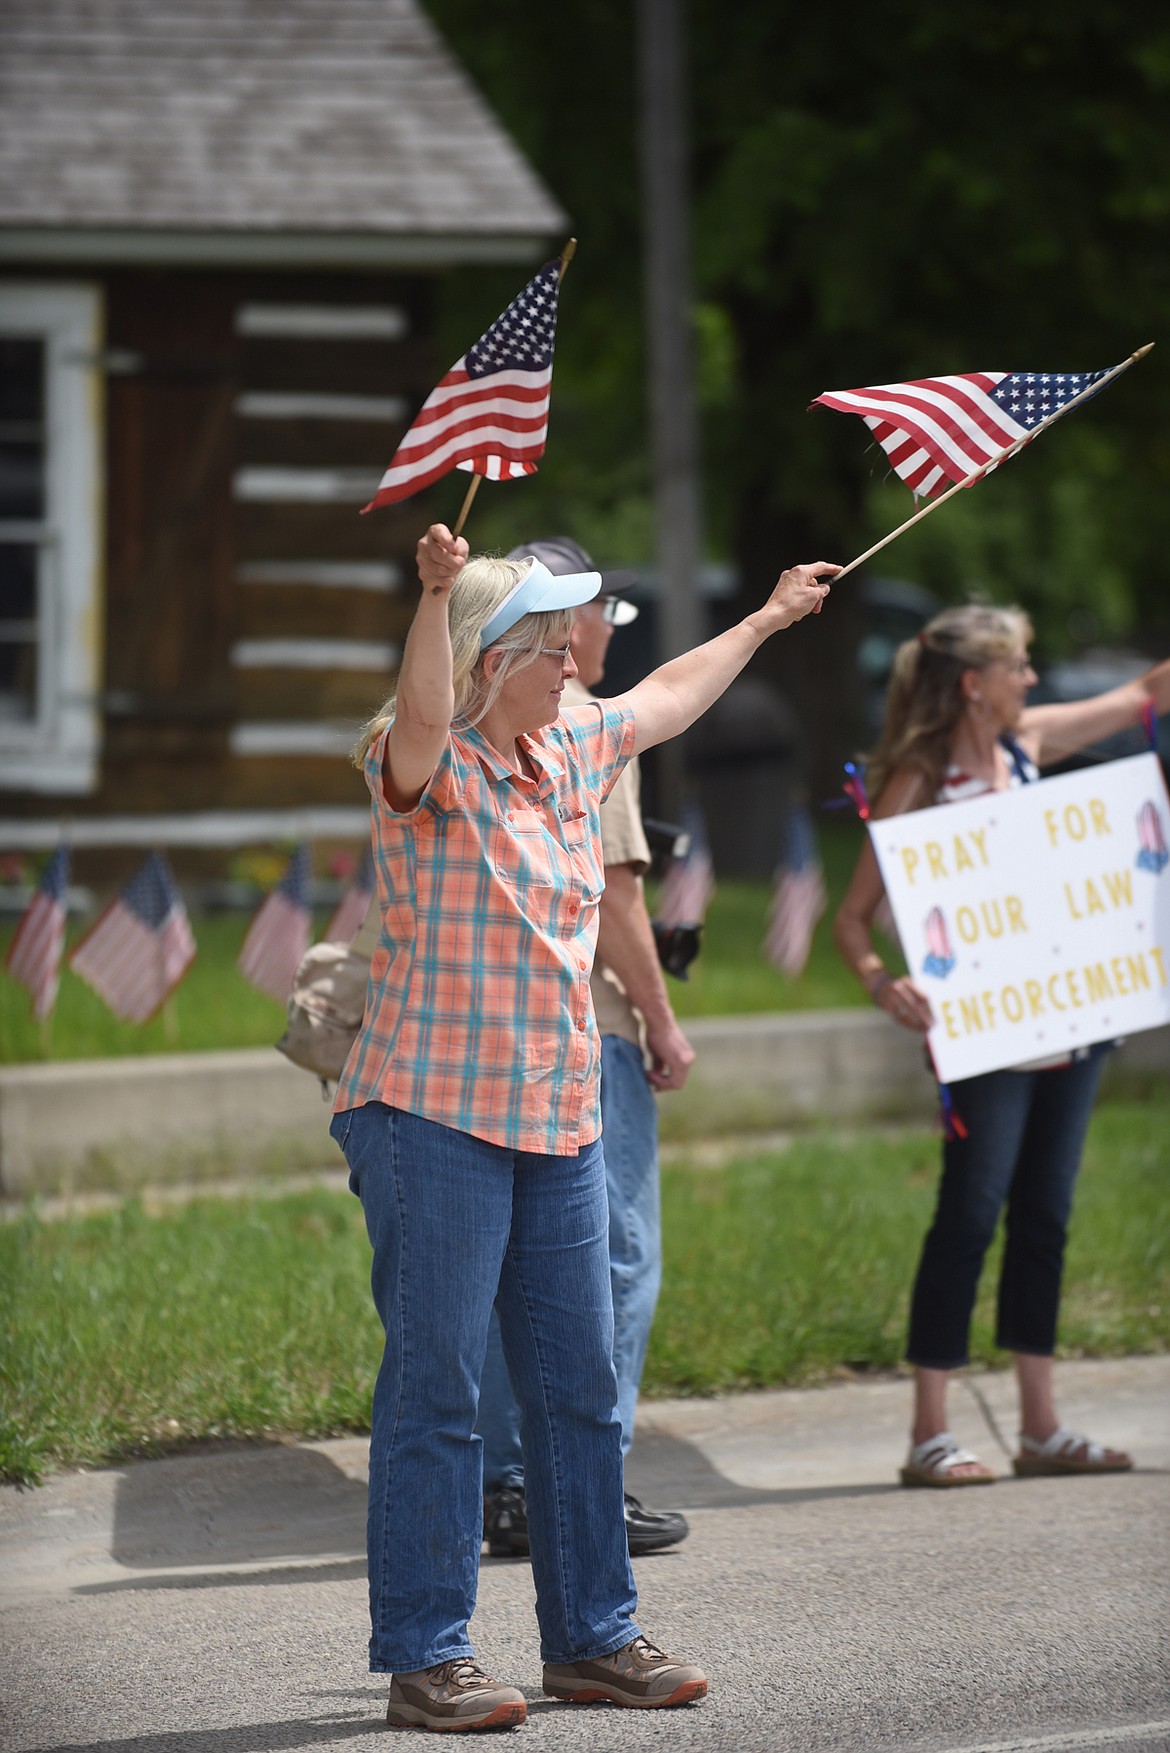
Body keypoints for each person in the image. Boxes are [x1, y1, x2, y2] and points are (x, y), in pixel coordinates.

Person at [330, 521, 835, 1730]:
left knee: (580, 1391)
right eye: (553, 645)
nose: (577, 662)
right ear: (489, 660)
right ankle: (427, 1654)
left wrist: (767, 616)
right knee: (439, 1393)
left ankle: (593, 1640)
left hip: (557, 1121)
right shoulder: (431, 764)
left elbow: (667, 696)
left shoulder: (574, 748)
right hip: (430, 1115)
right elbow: (414, 713)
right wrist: (437, 595)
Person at [833, 603, 1170, 1489]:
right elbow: (852, 918)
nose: (1032, 679)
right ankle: (929, 1432)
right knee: (971, 1216)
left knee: (1047, 1217)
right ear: (975, 683)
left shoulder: (1029, 746)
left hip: (1071, 1025)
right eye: (1019, 665)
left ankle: (1042, 1425)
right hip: (984, 1041)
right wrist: (882, 981)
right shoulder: (916, 782)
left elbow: (1145, 694)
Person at [477, 536, 695, 1562]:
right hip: (586, 1038)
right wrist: (660, 1017)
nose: (602, 635)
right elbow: (616, 900)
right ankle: (578, 1484)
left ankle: (504, 1481)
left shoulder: (471, 732)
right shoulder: (580, 729)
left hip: (492, 1047)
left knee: (501, 1272)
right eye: (604, 613)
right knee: (617, 1262)